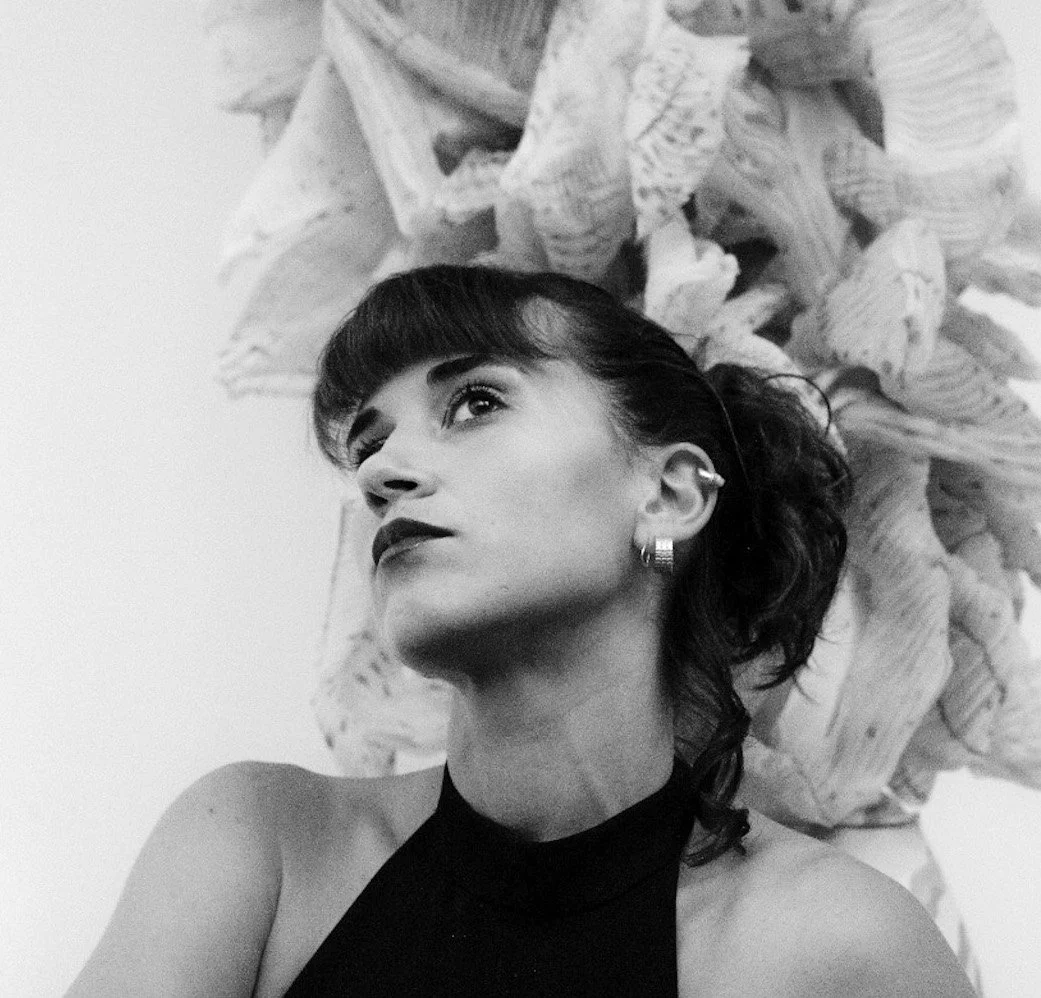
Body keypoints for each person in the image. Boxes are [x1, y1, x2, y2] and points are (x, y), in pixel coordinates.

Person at [66, 265, 975, 997]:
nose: (381, 472)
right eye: (368, 444)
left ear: (669, 496)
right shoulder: (260, 854)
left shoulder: (837, 949)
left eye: (474, 404)